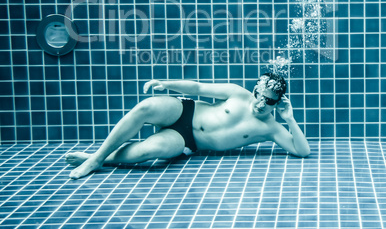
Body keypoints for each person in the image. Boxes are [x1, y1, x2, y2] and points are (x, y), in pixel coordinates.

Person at [66, 73, 310, 179]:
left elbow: (302, 151)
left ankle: (100, 160)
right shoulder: (238, 93)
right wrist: (167, 84)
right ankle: (96, 158)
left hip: (186, 141)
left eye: (269, 101)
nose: (261, 103)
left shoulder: (271, 127)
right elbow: (199, 88)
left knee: (148, 151)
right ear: (255, 88)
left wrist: (289, 118)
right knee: (146, 107)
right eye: (260, 94)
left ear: (277, 103)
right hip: (186, 110)